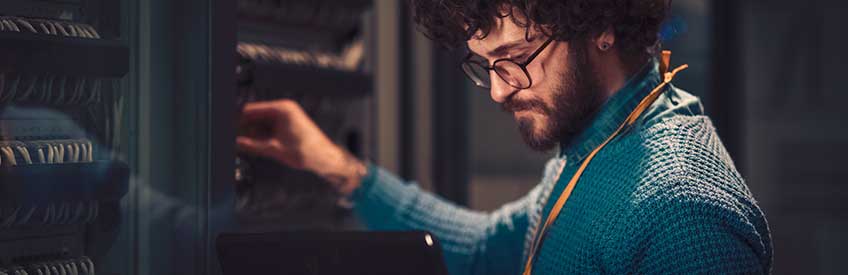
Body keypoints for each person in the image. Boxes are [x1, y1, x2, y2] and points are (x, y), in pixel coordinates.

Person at [236, 0, 773, 274]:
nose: (497, 91)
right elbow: (487, 250)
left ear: (602, 23)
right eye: (485, 64)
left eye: (516, 59)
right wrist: (339, 169)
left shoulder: (684, 214)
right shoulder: (597, 147)